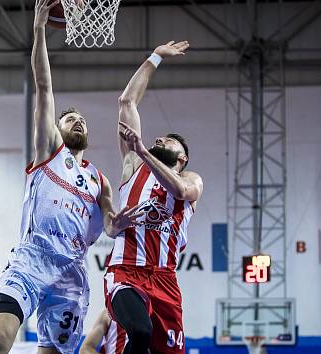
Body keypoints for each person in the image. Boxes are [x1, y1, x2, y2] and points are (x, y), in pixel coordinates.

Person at [0, 0, 141, 353]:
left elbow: (112, 225)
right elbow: (43, 87)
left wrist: (120, 225)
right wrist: (39, 30)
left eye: (82, 119)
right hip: (31, 257)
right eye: (69, 118)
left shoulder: (99, 179)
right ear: (55, 128)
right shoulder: (49, 152)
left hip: (71, 271)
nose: (78, 120)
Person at [104, 40, 203, 354]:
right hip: (126, 271)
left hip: (165, 278)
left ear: (182, 158)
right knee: (140, 332)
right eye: (158, 138)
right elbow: (126, 102)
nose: (160, 138)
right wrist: (155, 57)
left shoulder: (191, 178)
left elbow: (181, 192)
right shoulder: (133, 163)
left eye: (169, 141)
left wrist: (144, 149)